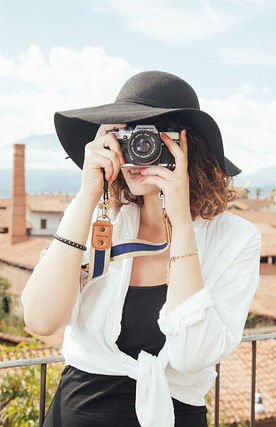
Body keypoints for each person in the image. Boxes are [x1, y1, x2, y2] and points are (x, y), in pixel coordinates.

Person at [21, 70, 262, 427]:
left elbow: (192, 354)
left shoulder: (236, 239)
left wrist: (180, 222)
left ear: (186, 146)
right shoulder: (96, 217)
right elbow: (41, 319)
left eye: (149, 137)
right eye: (125, 136)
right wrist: (88, 193)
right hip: (77, 412)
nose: (137, 150)